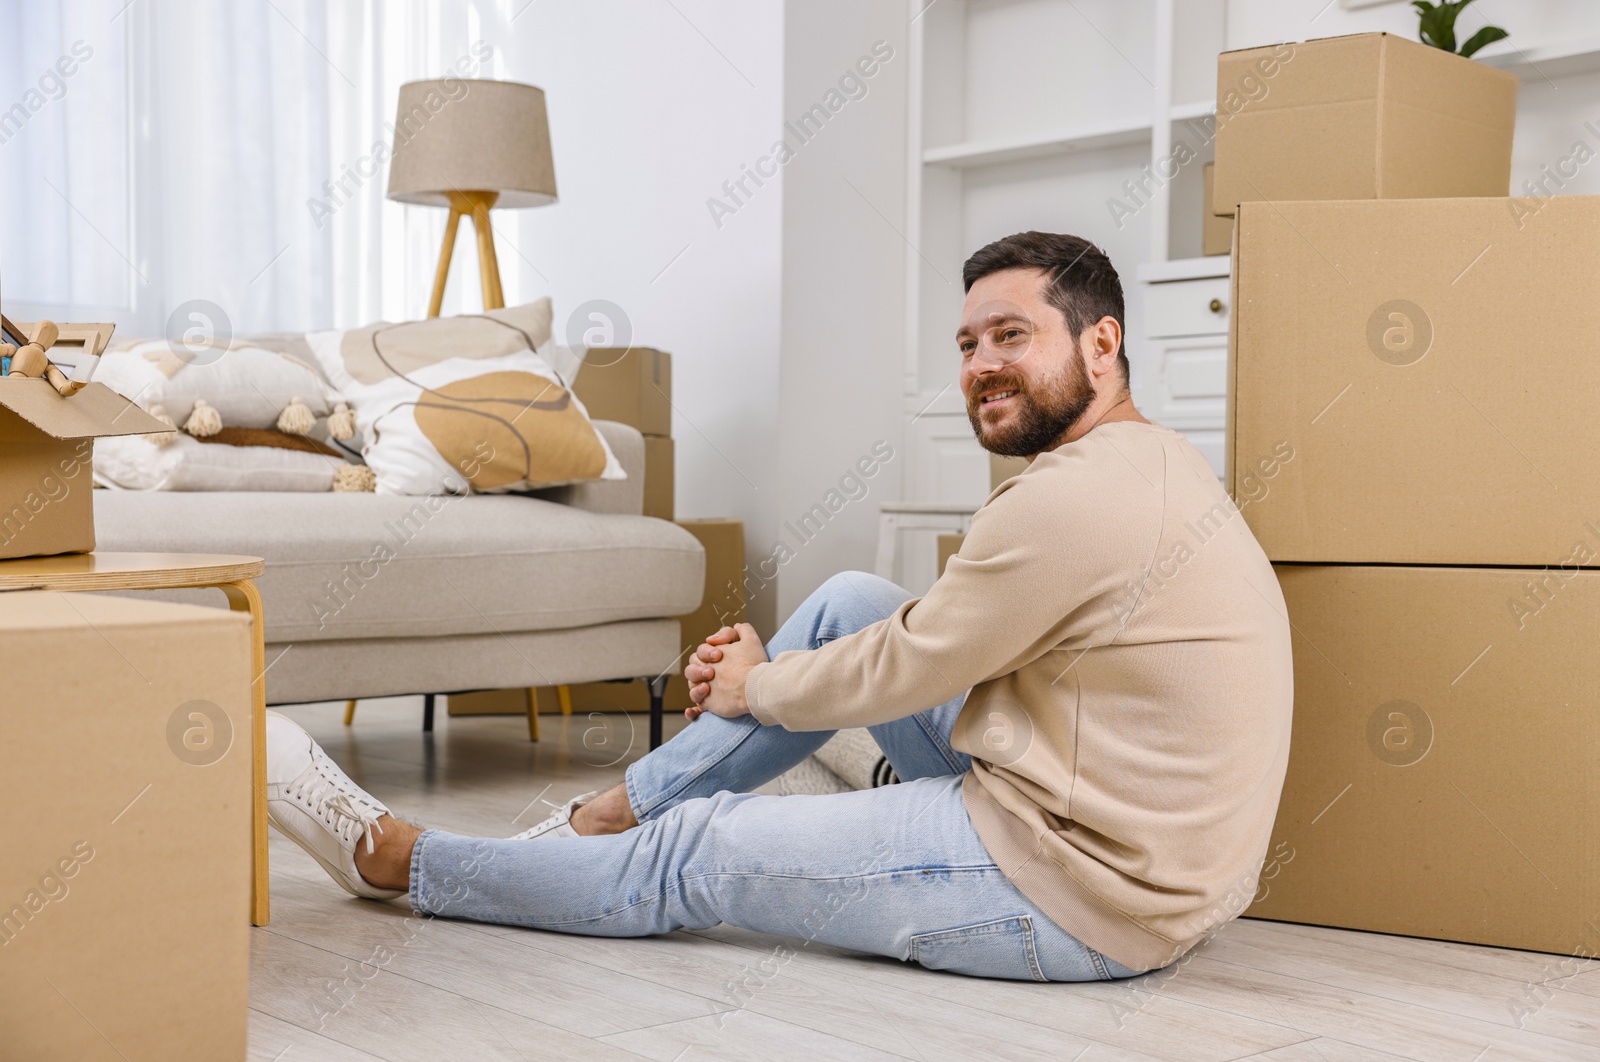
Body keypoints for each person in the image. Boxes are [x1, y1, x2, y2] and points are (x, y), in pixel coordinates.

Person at [266, 231, 1294, 982]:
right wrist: (773, 685)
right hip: (1120, 817)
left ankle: (404, 860)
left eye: (1011, 335)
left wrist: (758, 681)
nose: (980, 365)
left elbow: (917, 663)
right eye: (968, 341)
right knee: (849, 601)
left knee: (705, 848)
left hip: (1087, 891)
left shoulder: (1074, 495)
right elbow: (913, 639)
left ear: (1101, 344)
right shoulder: (1138, 461)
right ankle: (613, 812)